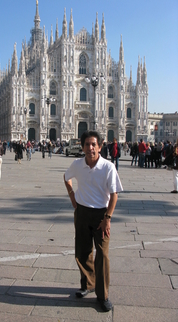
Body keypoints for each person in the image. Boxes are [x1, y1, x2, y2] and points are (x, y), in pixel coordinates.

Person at [64, 130, 123, 312]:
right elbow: (66, 178)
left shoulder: (108, 167)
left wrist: (107, 218)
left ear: (99, 146)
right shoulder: (77, 164)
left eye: (93, 144)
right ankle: (88, 284)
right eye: (87, 144)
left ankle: (103, 295)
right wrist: (72, 196)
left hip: (101, 215)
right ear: (82, 147)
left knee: (102, 255)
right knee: (82, 251)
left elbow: (114, 196)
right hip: (81, 212)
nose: (90, 148)